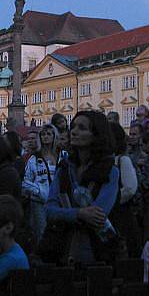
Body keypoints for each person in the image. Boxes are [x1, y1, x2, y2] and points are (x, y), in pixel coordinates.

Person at [41, 111, 119, 265]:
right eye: (73, 126)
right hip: (61, 248)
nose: (74, 131)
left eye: (82, 128)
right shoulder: (64, 168)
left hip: (96, 252)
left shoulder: (110, 171)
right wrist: (79, 213)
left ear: (96, 135)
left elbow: (98, 215)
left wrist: (65, 214)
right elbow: (49, 209)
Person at [22, 124, 59, 243]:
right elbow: (26, 181)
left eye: (49, 134)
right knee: (41, 232)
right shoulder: (34, 158)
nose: (46, 137)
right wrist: (38, 191)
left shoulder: (62, 156)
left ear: (54, 136)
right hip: (39, 201)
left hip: (58, 200)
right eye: (43, 134)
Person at [111, 122, 140, 257]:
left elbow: (129, 189)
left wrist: (111, 200)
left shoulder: (123, 160)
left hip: (122, 213)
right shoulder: (110, 159)